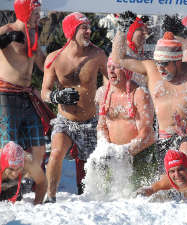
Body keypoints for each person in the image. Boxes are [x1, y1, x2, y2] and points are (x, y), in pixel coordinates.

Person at [112, 11, 187, 173]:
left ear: (178, 61)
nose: (161, 68)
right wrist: (122, 29)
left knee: (184, 157)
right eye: (158, 63)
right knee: (171, 178)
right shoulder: (151, 68)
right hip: (165, 136)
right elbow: (118, 59)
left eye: (165, 63)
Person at [41, 12, 108, 202]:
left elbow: (110, 81)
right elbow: (44, 92)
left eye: (89, 27)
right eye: (83, 28)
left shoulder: (98, 55)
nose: (89, 31)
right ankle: (50, 196)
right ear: (71, 31)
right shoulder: (54, 59)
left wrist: (105, 99)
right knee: (56, 152)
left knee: (95, 164)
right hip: (65, 120)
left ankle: (94, 198)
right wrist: (56, 95)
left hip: (90, 121)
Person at [0, 0, 47, 168]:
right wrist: (5, 40)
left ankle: (32, 179)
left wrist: (56, 65)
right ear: (25, 12)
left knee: (37, 142)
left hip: (27, 94)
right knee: (8, 143)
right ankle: (7, 185)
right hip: (5, 94)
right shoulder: (8, 29)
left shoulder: (34, 33)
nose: (39, 17)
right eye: (35, 13)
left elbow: (41, 62)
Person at [96, 56, 156, 186]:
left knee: (137, 198)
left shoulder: (140, 94)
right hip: (115, 155)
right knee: (108, 197)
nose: (111, 71)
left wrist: (125, 152)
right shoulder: (103, 93)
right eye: (109, 67)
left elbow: (146, 132)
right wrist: (105, 146)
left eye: (116, 67)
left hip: (140, 154)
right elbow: (101, 127)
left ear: (127, 70)